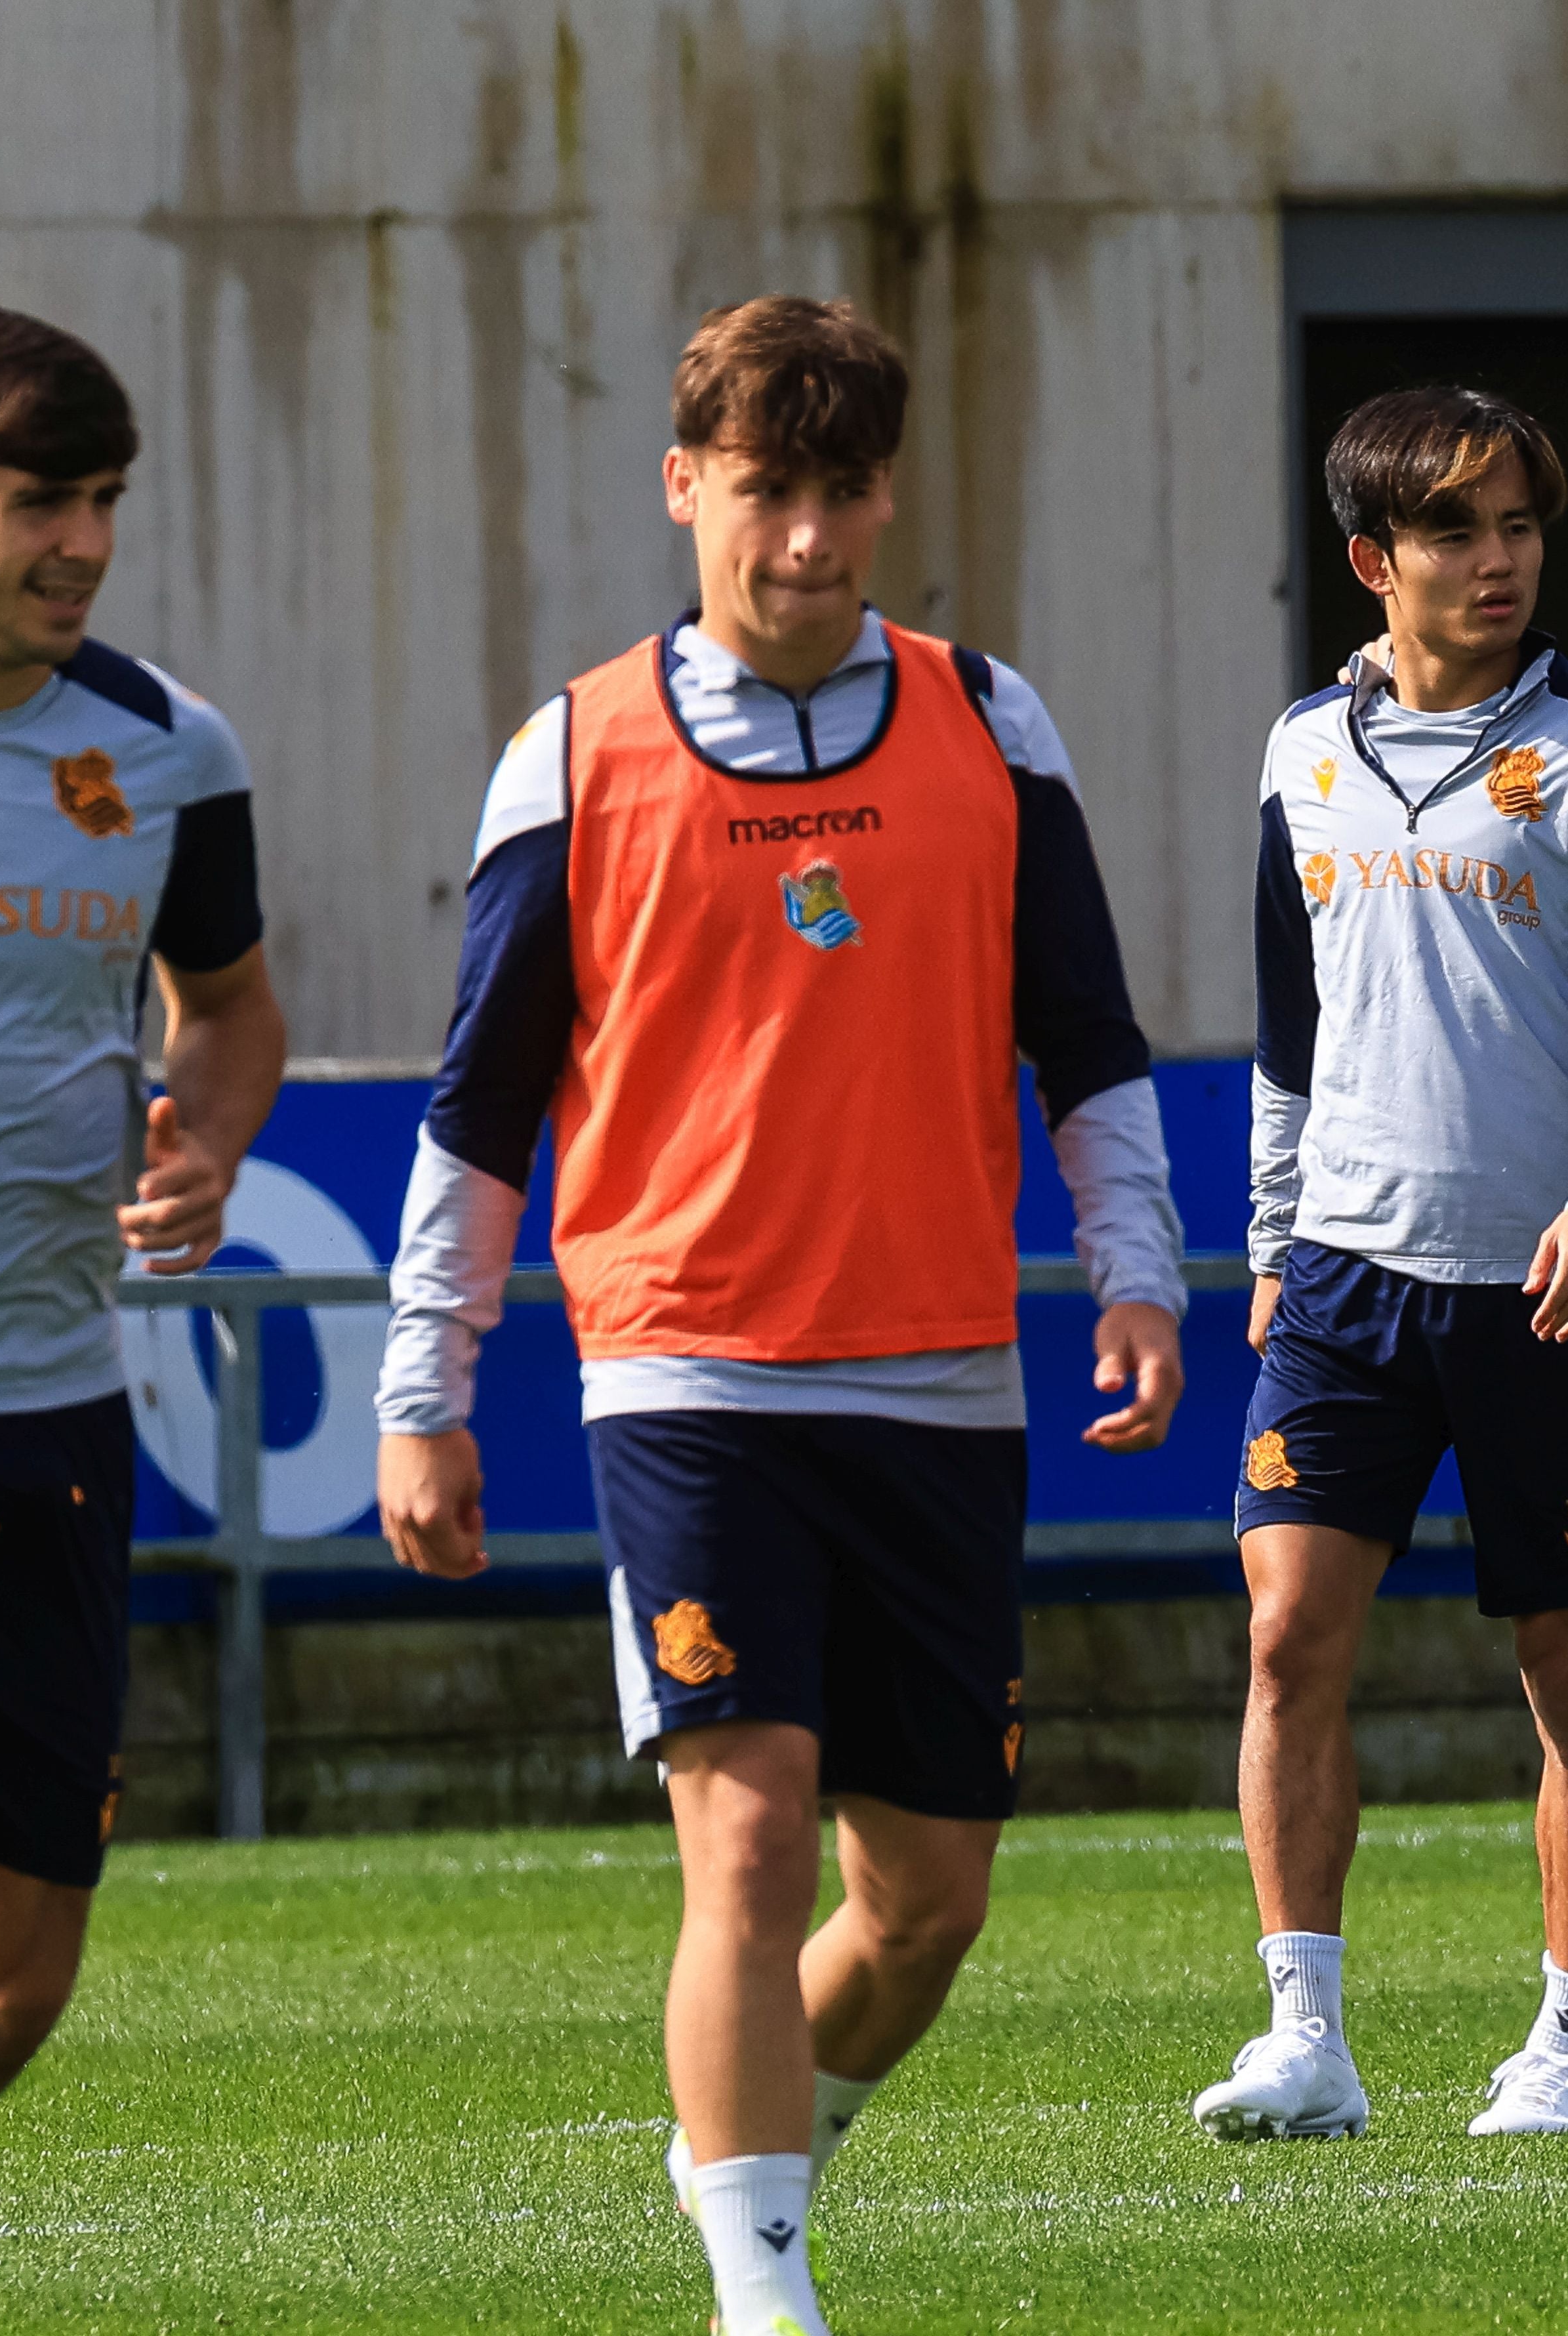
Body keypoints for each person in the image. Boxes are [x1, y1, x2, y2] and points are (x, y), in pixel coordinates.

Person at [373, 296, 1186, 2336]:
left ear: (888, 493)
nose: (809, 540)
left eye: (843, 493)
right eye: (765, 494)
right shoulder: (571, 753)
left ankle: (741, 2168)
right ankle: (763, 2290)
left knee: (928, 1906)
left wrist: (1143, 1275)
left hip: (942, 1383)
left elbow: (1086, 1040)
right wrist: (427, 1383)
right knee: (742, 1843)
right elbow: (476, 1110)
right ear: (684, 490)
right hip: (686, 1373)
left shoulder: (996, 726)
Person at [1197, 385, 1568, 2145]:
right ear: (1374, 559)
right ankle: (1305, 2036)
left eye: (1520, 528)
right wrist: (1269, 1244)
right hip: (1338, 1284)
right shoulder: (1299, 752)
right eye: (1459, 532)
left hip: (1540, 1290)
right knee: (1285, 1639)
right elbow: (1282, 1029)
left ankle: (1566, 2044)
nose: (1500, 563)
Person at [0, 310, 286, 2103]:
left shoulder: (168, 751)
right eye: (40, 498)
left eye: (104, 500)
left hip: (53, 1404)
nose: (84, 542)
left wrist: (215, 1137)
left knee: (26, 1973)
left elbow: (234, 1009)